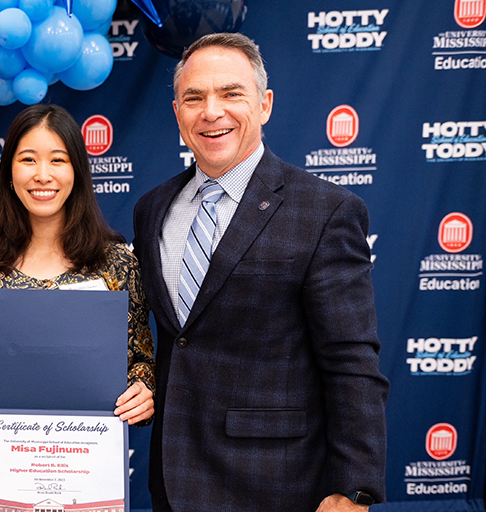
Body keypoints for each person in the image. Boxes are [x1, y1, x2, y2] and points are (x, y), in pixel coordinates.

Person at [132, 33, 390, 511]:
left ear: (265, 104)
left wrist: (354, 487)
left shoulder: (327, 210)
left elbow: (350, 359)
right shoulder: (152, 210)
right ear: (177, 112)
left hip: (277, 483)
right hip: (172, 478)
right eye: (194, 97)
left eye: (231, 94)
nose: (211, 111)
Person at [0, 104, 155, 430]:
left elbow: (141, 361)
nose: (42, 174)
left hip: (87, 461)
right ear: (9, 171)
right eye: (28, 159)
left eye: (58, 160)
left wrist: (145, 389)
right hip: (8, 462)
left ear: (77, 171)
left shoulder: (117, 265)